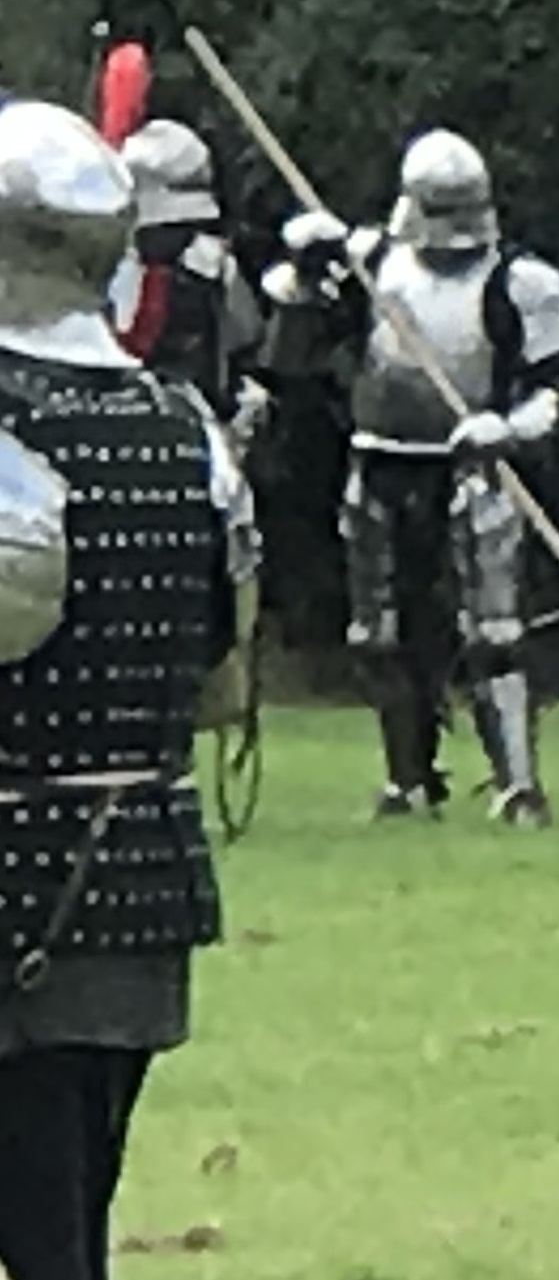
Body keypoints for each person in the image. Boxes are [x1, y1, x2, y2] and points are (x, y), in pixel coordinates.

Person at [0, 103, 242, 1280]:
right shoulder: (181, 424)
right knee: (70, 1223)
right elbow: (217, 672)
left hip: (15, 895)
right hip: (139, 882)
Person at [261, 130, 559, 824]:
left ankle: (517, 783)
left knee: (493, 631)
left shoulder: (522, 281)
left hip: (473, 466)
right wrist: (305, 271)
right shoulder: (374, 263)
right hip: (380, 460)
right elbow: (290, 355)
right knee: (378, 632)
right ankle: (408, 778)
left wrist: (511, 426)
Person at [106, 120, 256, 414]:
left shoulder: (212, 262)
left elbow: (244, 333)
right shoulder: (213, 260)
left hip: (184, 411)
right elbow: (246, 332)